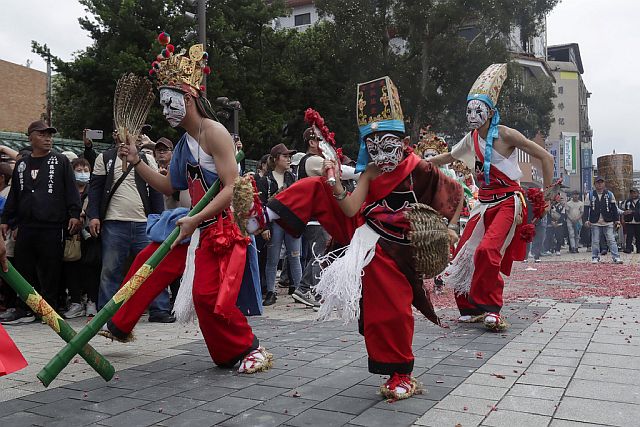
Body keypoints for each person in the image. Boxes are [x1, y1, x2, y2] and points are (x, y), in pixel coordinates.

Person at [242, 78, 463, 400]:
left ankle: (401, 373)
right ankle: (266, 216)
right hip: (365, 235)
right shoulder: (371, 172)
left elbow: (454, 196)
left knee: (393, 311)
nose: (383, 156)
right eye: (374, 149)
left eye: (389, 147)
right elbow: (349, 208)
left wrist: (451, 228)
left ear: (402, 143)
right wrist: (333, 182)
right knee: (315, 186)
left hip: (401, 248)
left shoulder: (420, 169)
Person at [101, 36, 270, 374]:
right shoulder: (182, 145)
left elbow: (231, 188)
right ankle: (120, 324)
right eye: (162, 105)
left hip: (219, 229)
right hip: (194, 226)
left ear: (189, 97)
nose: (165, 112)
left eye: (170, 103)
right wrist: (137, 161)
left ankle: (248, 349)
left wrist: (196, 219)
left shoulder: (214, 133)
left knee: (208, 297)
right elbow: (169, 185)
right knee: (148, 260)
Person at [429, 64, 555, 331]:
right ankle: (469, 308)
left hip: (508, 201)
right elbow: (448, 157)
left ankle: (491, 308)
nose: (473, 115)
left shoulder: (506, 134)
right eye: (469, 110)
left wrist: (546, 192)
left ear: (490, 112)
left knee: (488, 250)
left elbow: (545, 156)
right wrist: (418, 162)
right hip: (483, 204)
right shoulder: (471, 138)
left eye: (478, 110)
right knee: (463, 253)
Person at [0, 121, 82, 324]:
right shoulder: (22, 164)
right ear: (31, 137)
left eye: (50, 135)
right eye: (42, 134)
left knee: (51, 270)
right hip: (27, 226)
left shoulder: (60, 160)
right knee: (23, 267)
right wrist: (6, 220)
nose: (48, 138)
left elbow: (71, 190)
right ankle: (22, 308)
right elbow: (15, 195)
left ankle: (49, 310)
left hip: (52, 225)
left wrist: (74, 213)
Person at [257, 143, 302, 306]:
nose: (289, 159)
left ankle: (299, 290)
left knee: (295, 257)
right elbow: (260, 206)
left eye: (290, 157)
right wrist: (264, 227)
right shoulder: (265, 180)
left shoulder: (292, 177)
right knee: (273, 258)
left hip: (291, 222)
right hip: (274, 223)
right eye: (285, 156)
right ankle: (270, 291)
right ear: (276, 159)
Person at [62, 158, 99, 318]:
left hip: (91, 235)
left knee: (91, 267)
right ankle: (76, 301)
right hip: (72, 235)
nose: (82, 173)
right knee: (72, 268)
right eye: (78, 169)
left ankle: (92, 301)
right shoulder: (65, 190)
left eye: (85, 169)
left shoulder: (93, 190)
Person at [584, 176, 622, 264]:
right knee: (595, 240)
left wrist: (617, 220)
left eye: (601, 182)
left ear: (604, 184)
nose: (600, 184)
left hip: (608, 220)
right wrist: (586, 220)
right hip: (595, 221)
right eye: (598, 182)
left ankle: (616, 257)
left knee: (611, 239)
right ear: (595, 184)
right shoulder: (589, 195)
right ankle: (595, 257)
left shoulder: (609, 194)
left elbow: (614, 208)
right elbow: (586, 209)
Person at [622, 188, 640, 253]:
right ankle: (628, 249)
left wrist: (634, 211)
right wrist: (623, 218)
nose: (633, 194)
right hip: (629, 221)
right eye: (632, 193)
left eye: (635, 193)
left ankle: (639, 249)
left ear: (638, 193)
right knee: (629, 235)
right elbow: (623, 211)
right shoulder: (627, 201)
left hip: (638, 221)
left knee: (638, 236)